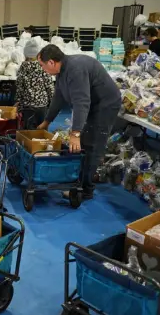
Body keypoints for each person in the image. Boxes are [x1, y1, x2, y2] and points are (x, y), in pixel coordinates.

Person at [36, 45, 121, 200]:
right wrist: (47, 121)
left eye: (42, 65)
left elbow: (81, 102)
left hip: (105, 105)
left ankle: (85, 190)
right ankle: (80, 180)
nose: (43, 69)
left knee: (91, 145)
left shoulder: (75, 70)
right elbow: (58, 97)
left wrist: (75, 133)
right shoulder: (62, 71)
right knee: (82, 144)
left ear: (51, 63)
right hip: (93, 104)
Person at [15, 38, 55, 129]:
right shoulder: (44, 67)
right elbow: (50, 87)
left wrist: (18, 102)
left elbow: (19, 89)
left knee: (27, 130)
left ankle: (28, 142)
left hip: (27, 106)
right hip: (42, 105)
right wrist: (52, 103)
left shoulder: (22, 69)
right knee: (42, 130)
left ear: (25, 54)